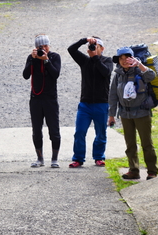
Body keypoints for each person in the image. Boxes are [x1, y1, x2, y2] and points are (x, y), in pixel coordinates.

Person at [108, 47, 158, 180]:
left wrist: (140, 65)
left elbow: (151, 76)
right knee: (130, 144)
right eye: (121, 58)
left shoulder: (140, 70)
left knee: (146, 143)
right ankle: (133, 170)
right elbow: (113, 95)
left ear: (133, 58)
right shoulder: (118, 74)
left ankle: (152, 171)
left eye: (127, 58)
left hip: (142, 113)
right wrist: (111, 115)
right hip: (125, 114)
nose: (124, 61)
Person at [67, 37, 114, 168]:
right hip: (85, 104)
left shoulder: (108, 61)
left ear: (102, 49)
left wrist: (95, 58)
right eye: (91, 46)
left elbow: (105, 72)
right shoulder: (85, 61)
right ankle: (78, 158)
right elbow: (71, 49)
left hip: (101, 103)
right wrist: (84, 40)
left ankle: (99, 157)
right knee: (80, 132)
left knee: (101, 132)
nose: (93, 48)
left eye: (96, 45)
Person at [22, 34, 62, 168]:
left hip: (50, 99)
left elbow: (55, 74)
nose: (43, 48)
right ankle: (40, 158)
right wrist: (33, 60)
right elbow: (26, 75)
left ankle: (54, 159)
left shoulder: (54, 57)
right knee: (36, 130)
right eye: (40, 46)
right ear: (36, 47)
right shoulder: (31, 58)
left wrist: (46, 60)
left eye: (45, 45)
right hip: (36, 99)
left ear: (49, 45)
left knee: (54, 131)